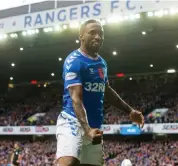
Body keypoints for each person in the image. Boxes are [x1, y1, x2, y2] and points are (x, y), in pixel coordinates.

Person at [56, 19, 144, 166]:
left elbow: (106, 90)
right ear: (81, 36)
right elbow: (76, 99)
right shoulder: (74, 61)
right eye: (92, 33)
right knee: (69, 162)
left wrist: (130, 111)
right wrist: (87, 129)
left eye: (101, 34)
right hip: (72, 122)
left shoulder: (101, 63)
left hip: (94, 126)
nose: (98, 37)